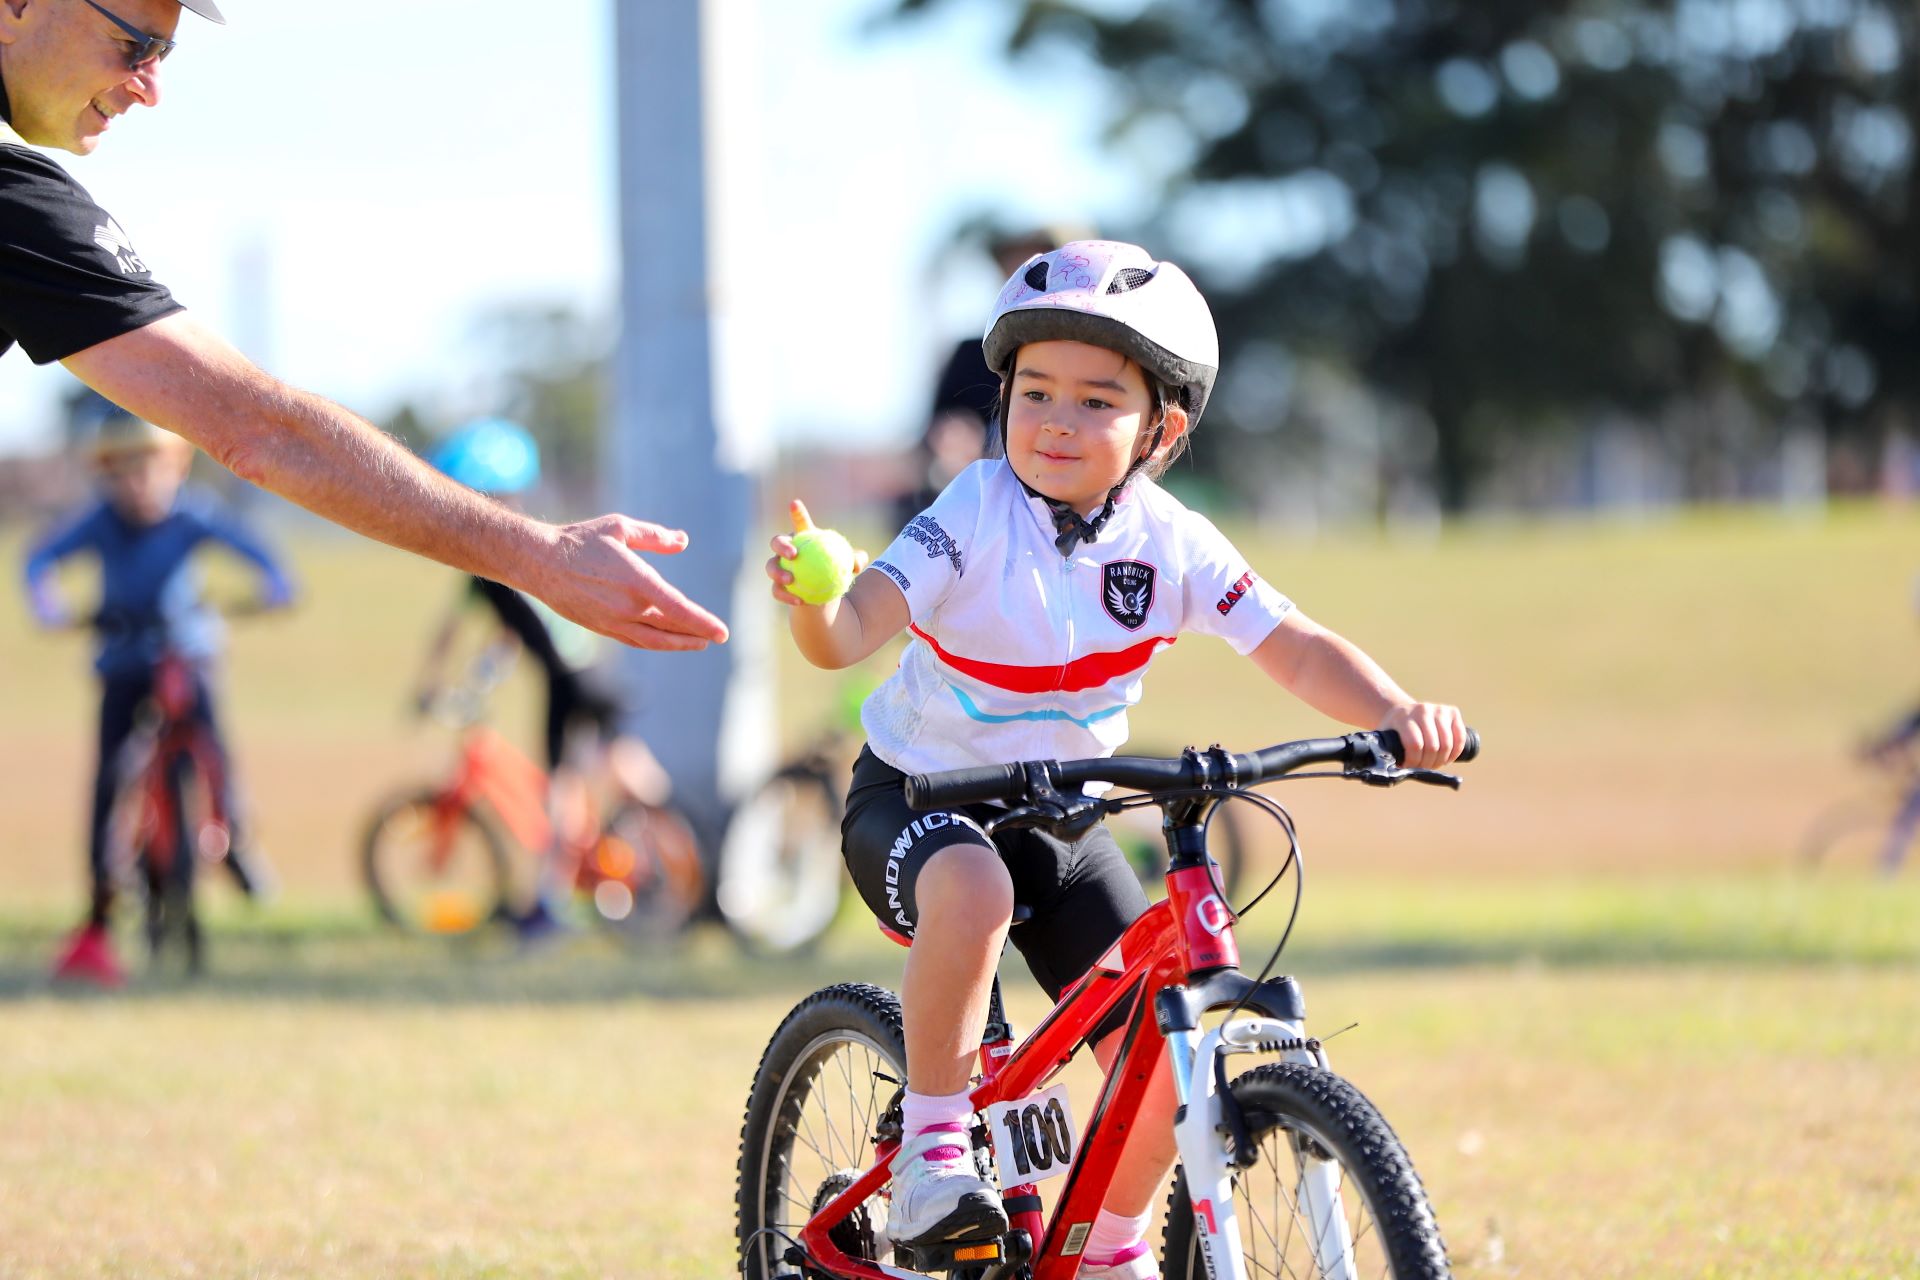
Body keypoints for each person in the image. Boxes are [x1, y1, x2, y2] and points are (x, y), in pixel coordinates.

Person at [766, 240, 1469, 1278]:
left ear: (1162, 427)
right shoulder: (974, 510)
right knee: (972, 885)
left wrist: (1398, 713)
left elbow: (1295, 643)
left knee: (1156, 1045)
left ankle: (1107, 1245)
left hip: (1060, 814)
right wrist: (818, 604)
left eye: (1097, 400)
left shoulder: (1169, 538)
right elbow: (852, 628)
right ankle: (930, 1152)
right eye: (1035, 390)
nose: (1056, 419)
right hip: (918, 798)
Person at [0, 0, 726, 653]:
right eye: (134, 46)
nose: (150, 87)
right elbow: (258, 431)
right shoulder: (19, 210)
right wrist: (542, 554)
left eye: (166, 56)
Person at [23, 401, 295, 986]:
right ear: (105, 474)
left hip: (185, 655)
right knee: (112, 774)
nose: (138, 482)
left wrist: (274, 587)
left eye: (150, 467)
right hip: (121, 659)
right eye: (122, 470)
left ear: (177, 467)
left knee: (213, 751)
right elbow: (39, 559)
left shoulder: (194, 515)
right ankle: (102, 890)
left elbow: (260, 553)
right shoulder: (98, 521)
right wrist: (48, 606)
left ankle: (237, 841)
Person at [413, 418, 673, 938]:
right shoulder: (531, 550)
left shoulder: (486, 563)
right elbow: (517, 633)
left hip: (567, 682)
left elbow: (454, 634)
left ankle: (551, 908)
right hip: (592, 670)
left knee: (559, 794)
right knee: (619, 773)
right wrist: (487, 671)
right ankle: (694, 851)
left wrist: (434, 686)